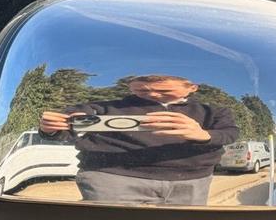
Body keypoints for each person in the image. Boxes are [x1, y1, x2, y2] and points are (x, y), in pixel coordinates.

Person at [39, 75, 239, 205]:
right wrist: (52, 128)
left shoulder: (213, 112)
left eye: (164, 91)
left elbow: (230, 133)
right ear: (130, 87)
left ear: (192, 87)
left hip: (191, 181)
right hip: (112, 178)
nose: (153, 95)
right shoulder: (104, 108)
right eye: (142, 90)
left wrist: (203, 135)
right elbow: (69, 127)